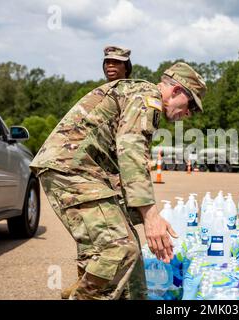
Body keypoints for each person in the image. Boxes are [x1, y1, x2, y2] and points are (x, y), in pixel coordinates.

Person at [30, 62, 207, 300]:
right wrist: (150, 216)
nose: (188, 114)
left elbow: (120, 163)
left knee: (122, 251)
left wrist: (141, 215)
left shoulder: (138, 96)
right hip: (71, 169)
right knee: (120, 249)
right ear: (176, 91)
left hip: (84, 171)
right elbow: (130, 153)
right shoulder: (148, 98)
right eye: (191, 106)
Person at [60, 45, 134, 300]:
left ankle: (107, 287)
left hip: (112, 170)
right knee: (91, 234)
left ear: (127, 67)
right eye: (107, 62)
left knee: (114, 236)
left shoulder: (130, 93)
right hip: (92, 169)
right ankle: (84, 284)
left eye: (116, 62)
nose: (110, 66)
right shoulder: (99, 94)